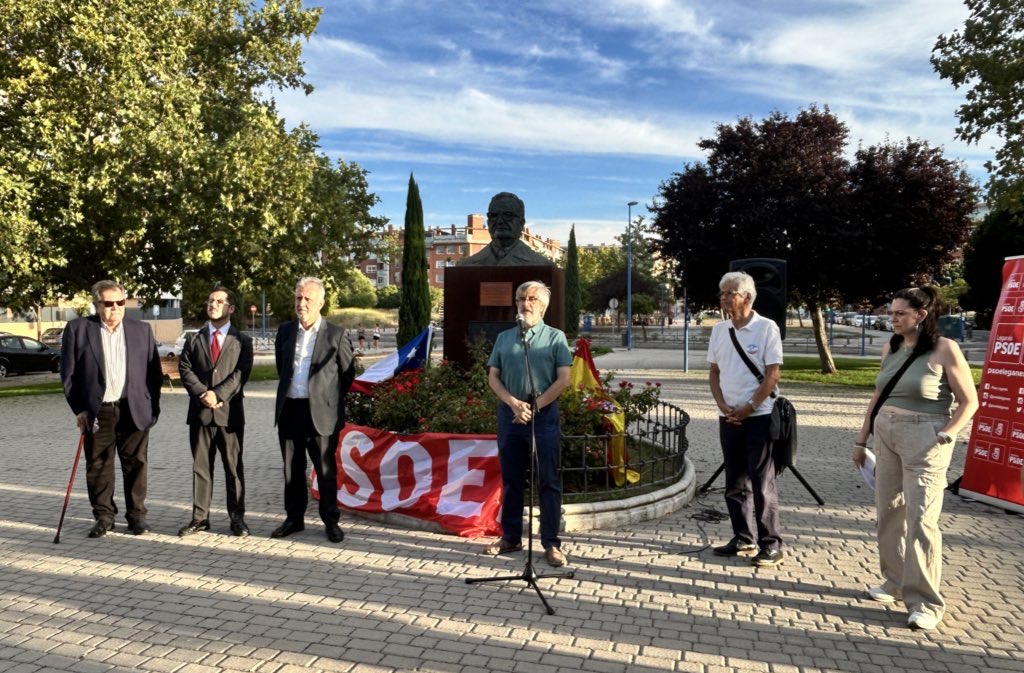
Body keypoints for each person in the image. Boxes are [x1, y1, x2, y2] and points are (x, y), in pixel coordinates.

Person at [853, 286, 978, 631]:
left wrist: (947, 433)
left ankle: (925, 601)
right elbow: (877, 396)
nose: (892, 319)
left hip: (925, 436)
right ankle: (893, 580)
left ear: (920, 315)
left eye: (899, 313)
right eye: (891, 313)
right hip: (886, 433)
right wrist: (861, 439)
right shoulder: (890, 347)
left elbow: (970, 401)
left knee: (922, 517)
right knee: (888, 510)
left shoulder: (944, 349)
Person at [60, 280, 163, 537]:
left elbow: (154, 373)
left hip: (133, 408)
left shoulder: (141, 330)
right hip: (98, 411)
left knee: (136, 464)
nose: (115, 308)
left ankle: (137, 516)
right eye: (108, 303)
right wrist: (79, 409)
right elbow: (69, 375)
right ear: (97, 305)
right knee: (98, 465)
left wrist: (152, 409)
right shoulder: (78, 329)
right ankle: (104, 516)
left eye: (120, 302)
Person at [483, 281, 572, 566]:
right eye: (521, 298)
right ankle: (510, 537)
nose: (525, 302)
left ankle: (551, 543)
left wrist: (535, 407)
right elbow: (493, 377)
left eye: (531, 298)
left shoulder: (555, 337)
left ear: (542, 305)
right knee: (511, 480)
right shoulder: (505, 338)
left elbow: (564, 379)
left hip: (543, 416)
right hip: (511, 415)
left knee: (548, 480)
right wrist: (513, 403)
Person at [707, 271, 785, 567]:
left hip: (760, 416)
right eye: (722, 293)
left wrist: (749, 407)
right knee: (734, 481)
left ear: (747, 297)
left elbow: (773, 373)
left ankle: (771, 543)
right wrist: (723, 405)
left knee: (761, 481)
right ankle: (743, 537)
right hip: (728, 416)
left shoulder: (766, 328)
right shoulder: (719, 330)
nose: (724, 298)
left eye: (730, 293)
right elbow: (714, 372)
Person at [273, 277, 356, 543]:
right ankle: (293, 519)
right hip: (290, 410)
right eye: (298, 298)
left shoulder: (336, 334)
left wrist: (325, 398)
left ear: (320, 303)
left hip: (321, 414)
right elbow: (281, 367)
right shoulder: (285, 332)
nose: (302, 303)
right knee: (292, 469)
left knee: (325, 470)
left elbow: (347, 375)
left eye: (307, 299)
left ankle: (330, 521)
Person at [177, 286, 254, 537]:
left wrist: (218, 394)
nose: (212, 304)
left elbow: (241, 374)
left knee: (233, 468)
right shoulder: (193, 338)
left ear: (230, 308)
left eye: (219, 301)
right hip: (200, 413)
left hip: (229, 414)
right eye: (210, 300)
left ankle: (237, 519)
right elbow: (185, 369)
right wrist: (203, 394)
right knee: (201, 468)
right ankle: (200, 518)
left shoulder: (242, 341)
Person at [459, 193, 555, 267]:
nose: (500, 221)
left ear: (521, 223)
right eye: (493, 215)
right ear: (488, 222)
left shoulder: (542, 265)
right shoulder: (466, 265)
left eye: (507, 215)